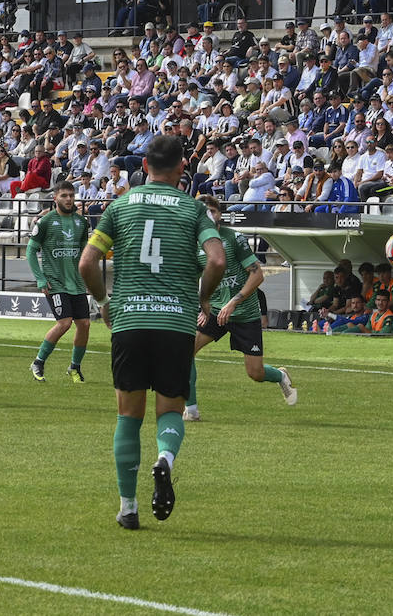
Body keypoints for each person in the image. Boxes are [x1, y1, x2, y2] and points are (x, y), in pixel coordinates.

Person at [78, 135, 226, 530]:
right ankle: (165, 460)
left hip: (129, 320)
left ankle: (128, 508)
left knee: (128, 415)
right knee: (170, 411)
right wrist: (204, 298)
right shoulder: (194, 210)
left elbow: (87, 263)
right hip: (176, 324)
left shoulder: (120, 205)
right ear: (182, 168)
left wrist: (102, 303)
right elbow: (216, 259)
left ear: (144, 167)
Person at [183, 195, 297, 421]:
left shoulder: (234, 238)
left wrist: (233, 301)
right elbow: (193, 279)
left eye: (213, 211)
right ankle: (192, 410)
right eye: (203, 211)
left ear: (220, 215)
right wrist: (201, 305)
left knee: (255, 373)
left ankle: (280, 376)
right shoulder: (194, 244)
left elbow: (257, 274)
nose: (208, 215)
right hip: (215, 312)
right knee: (184, 352)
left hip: (244, 313)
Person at [28, 181, 93, 382]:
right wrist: (40, 278)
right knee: (64, 323)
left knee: (84, 324)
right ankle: (38, 362)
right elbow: (31, 250)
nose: (68, 199)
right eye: (64, 196)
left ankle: (74, 367)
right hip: (55, 282)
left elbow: (85, 253)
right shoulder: (46, 222)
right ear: (55, 198)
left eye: (71, 195)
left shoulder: (82, 223)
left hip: (77, 284)